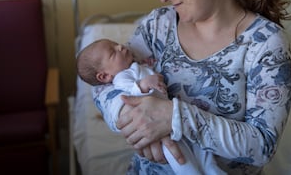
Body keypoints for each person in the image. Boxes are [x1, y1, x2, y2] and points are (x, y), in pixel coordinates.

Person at [93, 0, 291, 174]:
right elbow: (102, 82)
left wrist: (173, 118)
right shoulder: (159, 26)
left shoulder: (265, 44)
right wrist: (131, 119)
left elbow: (262, 145)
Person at [76, 38, 226, 175]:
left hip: (171, 116)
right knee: (178, 156)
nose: (120, 46)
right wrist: (144, 84)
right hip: (155, 128)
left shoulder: (135, 65)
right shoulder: (121, 77)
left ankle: (212, 170)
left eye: (116, 44)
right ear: (104, 76)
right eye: (112, 52)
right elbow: (128, 90)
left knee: (200, 149)